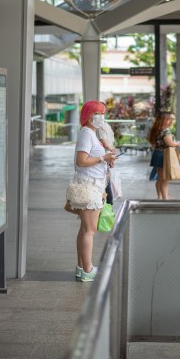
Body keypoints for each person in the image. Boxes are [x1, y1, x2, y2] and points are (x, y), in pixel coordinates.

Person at [70, 100, 116, 282]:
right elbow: (81, 161)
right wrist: (103, 158)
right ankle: (88, 270)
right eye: (97, 113)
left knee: (85, 229)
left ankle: (82, 267)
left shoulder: (91, 133)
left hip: (92, 185)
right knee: (89, 230)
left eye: (103, 113)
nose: (101, 117)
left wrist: (106, 160)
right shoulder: (87, 133)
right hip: (89, 186)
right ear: (87, 115)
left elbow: (91, 158)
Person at [147, 110, 180, 200]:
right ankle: (165, 197)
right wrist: (178, 143)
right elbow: (170, 144)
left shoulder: (156, 130)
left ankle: (160, 197)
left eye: (173, 119)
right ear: (164, 120)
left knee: (160, 178)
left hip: (157, 154)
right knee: (164, 178)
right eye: (170, 119)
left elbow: (154, 143)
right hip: (163, 155)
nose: (172, 121)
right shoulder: (165, 131)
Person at [95, 114, 116, 205]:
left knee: (106, 184)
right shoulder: (106, 125)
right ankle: (109, 206)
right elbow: (108, 143)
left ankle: (108, 205)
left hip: (105, 157)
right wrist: (112, 152)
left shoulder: (101, 126)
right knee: (107, 183)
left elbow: (106, 144)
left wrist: (111, 152)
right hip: (106, 156)